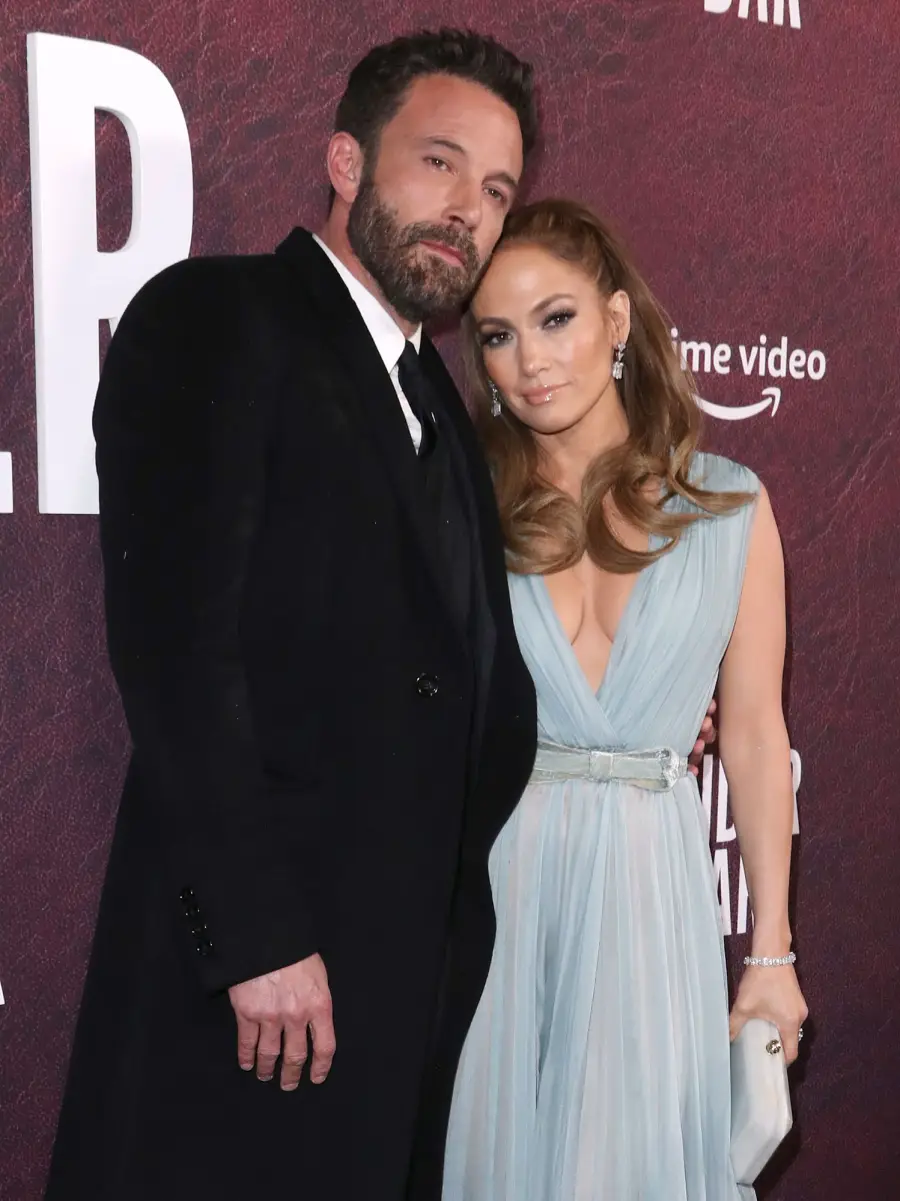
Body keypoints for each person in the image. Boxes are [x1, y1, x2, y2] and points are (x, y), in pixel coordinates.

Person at [45, 31, 717, 1201]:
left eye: (497, 189)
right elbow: (173, 653)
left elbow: (466, 669)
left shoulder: (449, 416)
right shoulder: (219, 318)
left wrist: (640, 712)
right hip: (252, 989)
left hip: (407, 1008)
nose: (468, 211)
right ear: (346, 161)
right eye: (440, 164)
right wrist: (253, 934)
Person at [441, 199, 809, 1201]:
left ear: (615, 320)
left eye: (555, 319)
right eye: (498, 337)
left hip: (653, 884)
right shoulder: (463, 510)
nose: (529, 361)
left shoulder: (730, 506)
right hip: (500, 882)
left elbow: (754, 733)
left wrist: (769, 949)